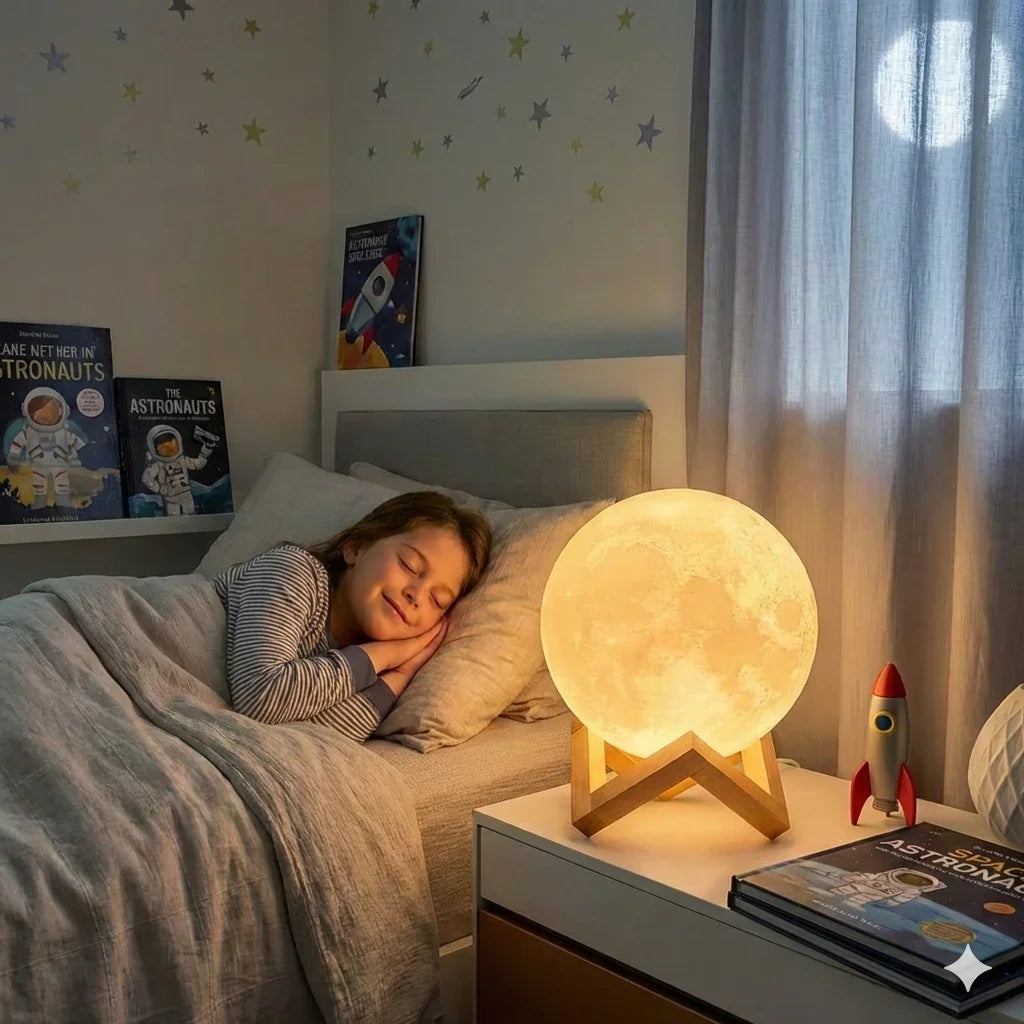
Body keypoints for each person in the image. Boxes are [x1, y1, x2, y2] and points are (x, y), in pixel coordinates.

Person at [214, 491, 492, 742]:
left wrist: (402, 674)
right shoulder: (293, 569)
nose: (417, 595)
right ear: (355, 548)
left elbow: (307, 742)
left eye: (437, 599)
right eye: (409, 565)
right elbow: (260, 697)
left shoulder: (361, 673)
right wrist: (388, 655)